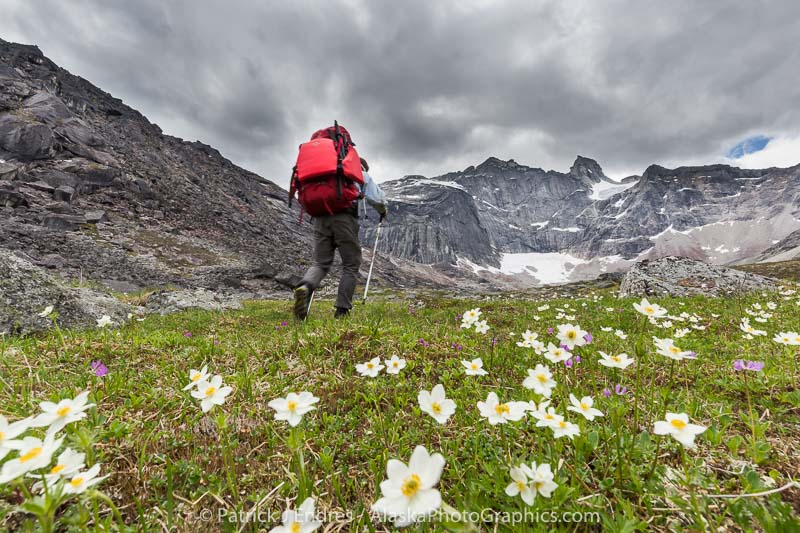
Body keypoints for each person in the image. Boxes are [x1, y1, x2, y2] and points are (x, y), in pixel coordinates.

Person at [293, 157, 387, 320]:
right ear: (362, 166)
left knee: (321, 263)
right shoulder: (359, 173)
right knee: (351, 264)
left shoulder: (326, 172)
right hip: (344, 219)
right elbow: (377, 199)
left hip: (321, 219)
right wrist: (383, 211)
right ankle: (341, 311)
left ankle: (306, 286)